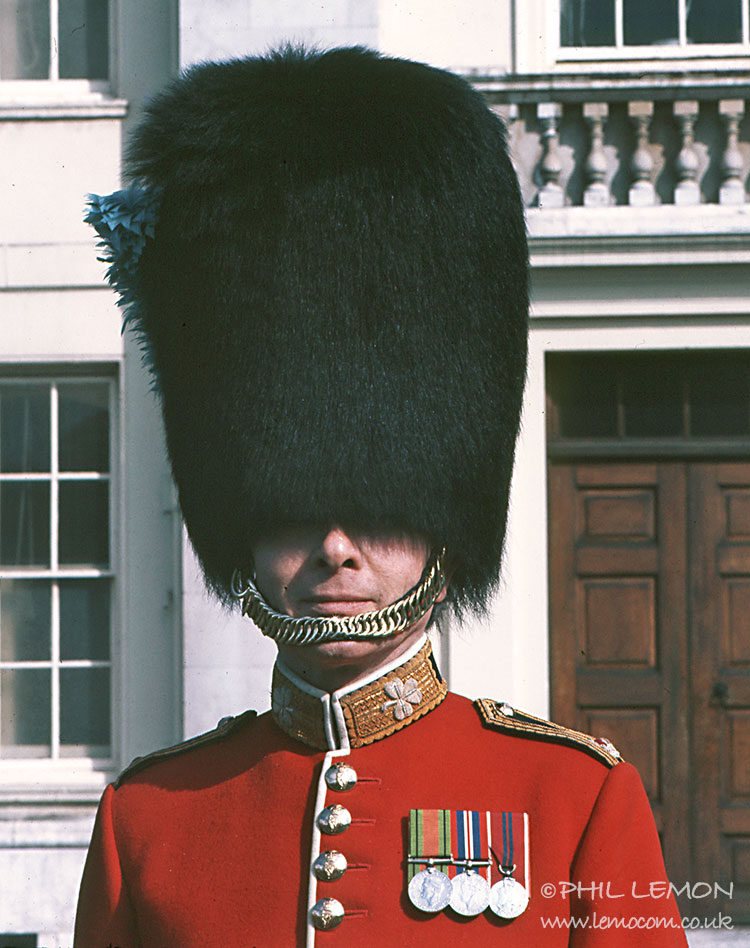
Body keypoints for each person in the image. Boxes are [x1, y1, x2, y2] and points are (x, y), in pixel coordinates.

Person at [75, 46, 687, 946]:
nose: (334, 547)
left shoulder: (573, 797)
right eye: (288, 513)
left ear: (445, 533)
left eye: (382, 508)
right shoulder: (148, 817)